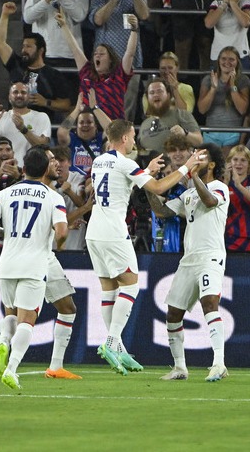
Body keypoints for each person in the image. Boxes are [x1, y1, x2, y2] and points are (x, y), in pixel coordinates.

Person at [87, 119, 204, 375]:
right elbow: (160, 187)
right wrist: (186, 166)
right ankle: (111, 342)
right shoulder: (126, 163)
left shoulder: (99, 161)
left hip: (94, 231)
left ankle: (118, 347)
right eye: (132, 136)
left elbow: (119, 187)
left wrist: (146, 170)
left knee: (109, 289)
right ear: (126, 139)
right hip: (114, 232)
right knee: (130, 285)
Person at [0, 146, 68, 390]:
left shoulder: (6, 193)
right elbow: (61, 232)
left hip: (7, 264)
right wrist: (58, 244)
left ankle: (4, 342)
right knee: (27, 321)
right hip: (34, 265)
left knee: (10, 314)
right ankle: (12, 368)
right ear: (45, 170)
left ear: (24, 169)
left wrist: (6, 235)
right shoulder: (53, 197)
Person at [146, 144, 230, 382]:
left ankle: (219, 363)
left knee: (210, 302)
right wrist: (148, 187)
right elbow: (162, 211)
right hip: (189, 259)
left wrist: (192, 176)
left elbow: (211, 201)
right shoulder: (188, 194)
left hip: (210, 256)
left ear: (212, 164)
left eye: (200, 156)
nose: (195, 158)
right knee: (173, 313)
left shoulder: (219, 187)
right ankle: (180, 367)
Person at [89, 0, 148, 119]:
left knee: (126, 111)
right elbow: (99, 19)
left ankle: (124, 142)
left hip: (129, 63)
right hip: (104, 65)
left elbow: (144, 14)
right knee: (101, 108)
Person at [56, 5, 137, 121]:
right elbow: (75, 49)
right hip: (87, 127)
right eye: (95, 54)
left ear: (110, 60)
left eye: (102, 54)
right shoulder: (86, 73)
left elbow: (130, 53)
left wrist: (134, 30)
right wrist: (64, 26)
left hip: (112, 129)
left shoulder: (119, 75)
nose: (97, 55)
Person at [0, 2, 72, 121]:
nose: (24, 50)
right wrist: (5, 15)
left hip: (40, 129)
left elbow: (66, 104)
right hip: (14, 126)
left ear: (41, 50)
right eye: (23, 46)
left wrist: (46, 102)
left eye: (29, 47)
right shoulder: (16, 64)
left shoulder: (53, 75)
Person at [0, 82, 51, 167]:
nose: (19, 95)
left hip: (30, 173)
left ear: (29, 96)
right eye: (15, 92)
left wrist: (23, 129)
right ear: (9, 96)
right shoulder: (0, 117)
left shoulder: (41, 117)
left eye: (23, 92)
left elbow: (43, 147)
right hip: (4, 173)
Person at [197, 46, 250, 154]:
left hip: (233, 133)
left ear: (237, 62)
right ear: (218, 61)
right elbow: (202, 109)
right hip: (211, 132)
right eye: (223, 59)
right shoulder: (208, 79)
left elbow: (242, 109)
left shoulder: (243, 80)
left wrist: (233, 86)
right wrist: (213, 89)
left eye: (231, 59)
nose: (227, 62)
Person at [138, 79, 202, 157]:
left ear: (168, 95)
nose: (156, 95)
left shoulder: (181, 114)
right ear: (147, 98)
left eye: (159, 91)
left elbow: (199, 141)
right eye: (152, 93)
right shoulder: (145, 123)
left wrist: (185, 133)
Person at [203, 0, 250, 69]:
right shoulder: (216, 3)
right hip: (218, 54)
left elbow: (246, 22)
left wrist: (233, 3)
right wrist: (225, 3)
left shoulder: (245, 2)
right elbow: (208, 24)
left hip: (240, 55)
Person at [57, 90, 112, 176]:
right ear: (76, 126)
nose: (85, 125)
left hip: (95, 182)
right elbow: (61, 133)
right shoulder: (72, 139)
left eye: (89, 122)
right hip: (73, 183)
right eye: (81, 122)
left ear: (96, 126)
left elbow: (112, 129)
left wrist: (94, 108)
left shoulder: (101, 138)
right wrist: (76, 110)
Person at [224, 145, 250, 252]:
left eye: (243, 160)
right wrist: (225, 182)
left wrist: (239, 186)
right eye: (235, 159)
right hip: (230, 241)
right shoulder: (222, 183)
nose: (238, 163)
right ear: (229, 162)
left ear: (249, 164)